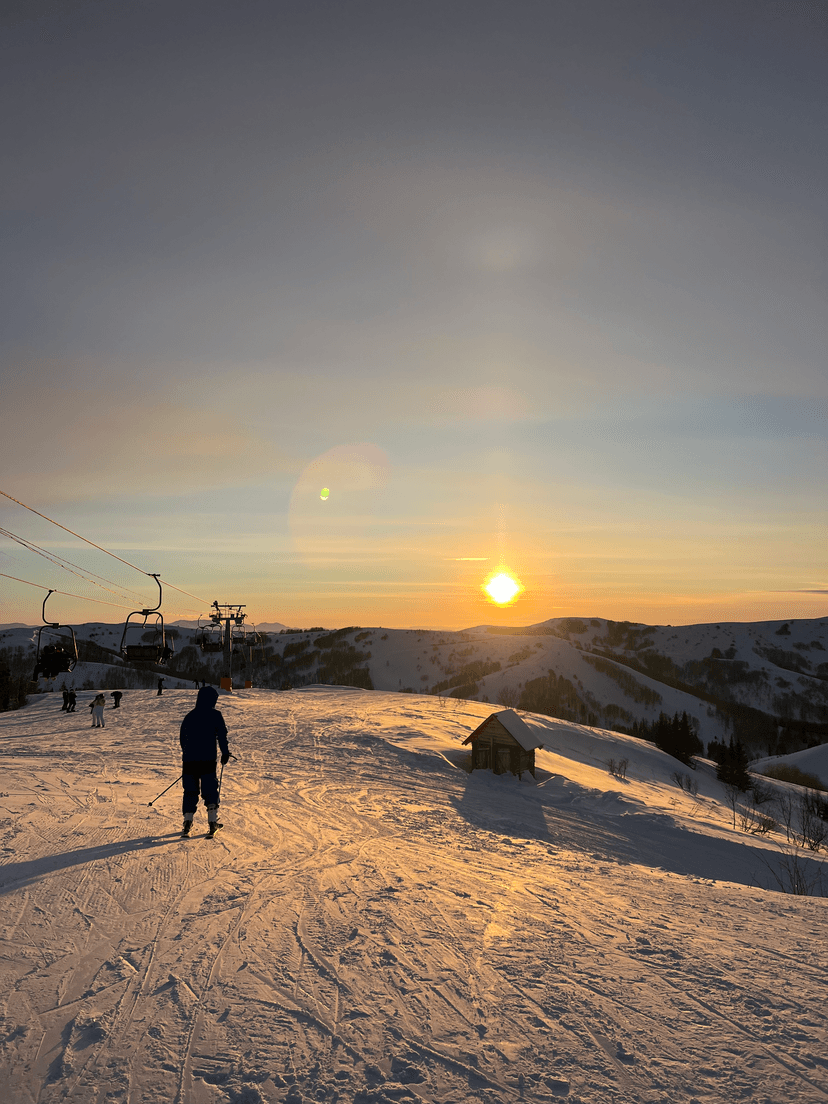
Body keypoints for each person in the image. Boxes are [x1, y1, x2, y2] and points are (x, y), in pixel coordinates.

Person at [179, 685, 230, 836]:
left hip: (189, 761)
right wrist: (225, 753)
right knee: (210, 789)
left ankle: (187, 823)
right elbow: (222, 736)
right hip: (208, 760)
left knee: (190, 790)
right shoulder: (215, 715)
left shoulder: (189, 716)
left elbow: (183, 738)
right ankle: (212, 822)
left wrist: (188, 753)